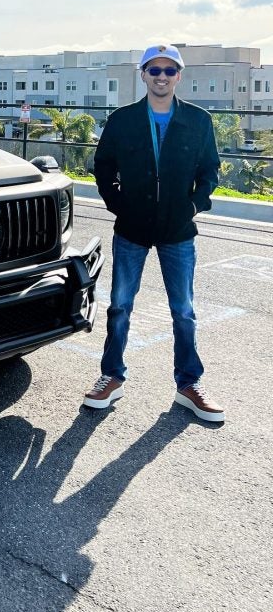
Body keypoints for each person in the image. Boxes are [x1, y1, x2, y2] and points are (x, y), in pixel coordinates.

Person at [84, 43, 224, 422]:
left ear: (179, 76)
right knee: (120, 306)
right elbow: (103, 167)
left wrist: (193, 206)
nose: (162, 77)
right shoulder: (122, 119)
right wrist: (119, 205)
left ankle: (189, 384)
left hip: (178, 230)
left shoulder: (198, 120)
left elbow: (210, 170)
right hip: (132, 227)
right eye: (155, 70)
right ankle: (112, 376)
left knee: (184, 311)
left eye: (169, 70)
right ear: (143, 74)